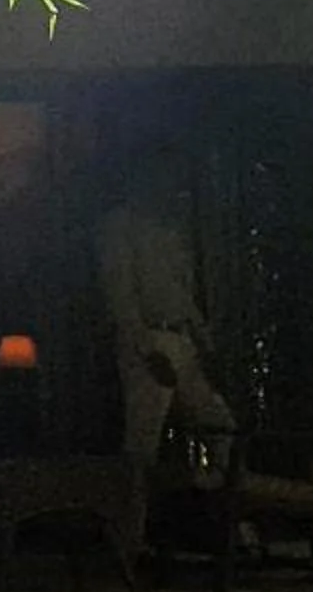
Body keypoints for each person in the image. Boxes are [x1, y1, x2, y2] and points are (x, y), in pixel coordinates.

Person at [97, 156, 236, 461]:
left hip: (180, 337)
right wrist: (146, 348)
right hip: (151, 335)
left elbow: (183, 294)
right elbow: (121, 293)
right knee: (144, 434)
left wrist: (204, 343)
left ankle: (214, 487)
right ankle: (137, 501)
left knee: (220, 425)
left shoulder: (169, 228)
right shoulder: (121, 225)